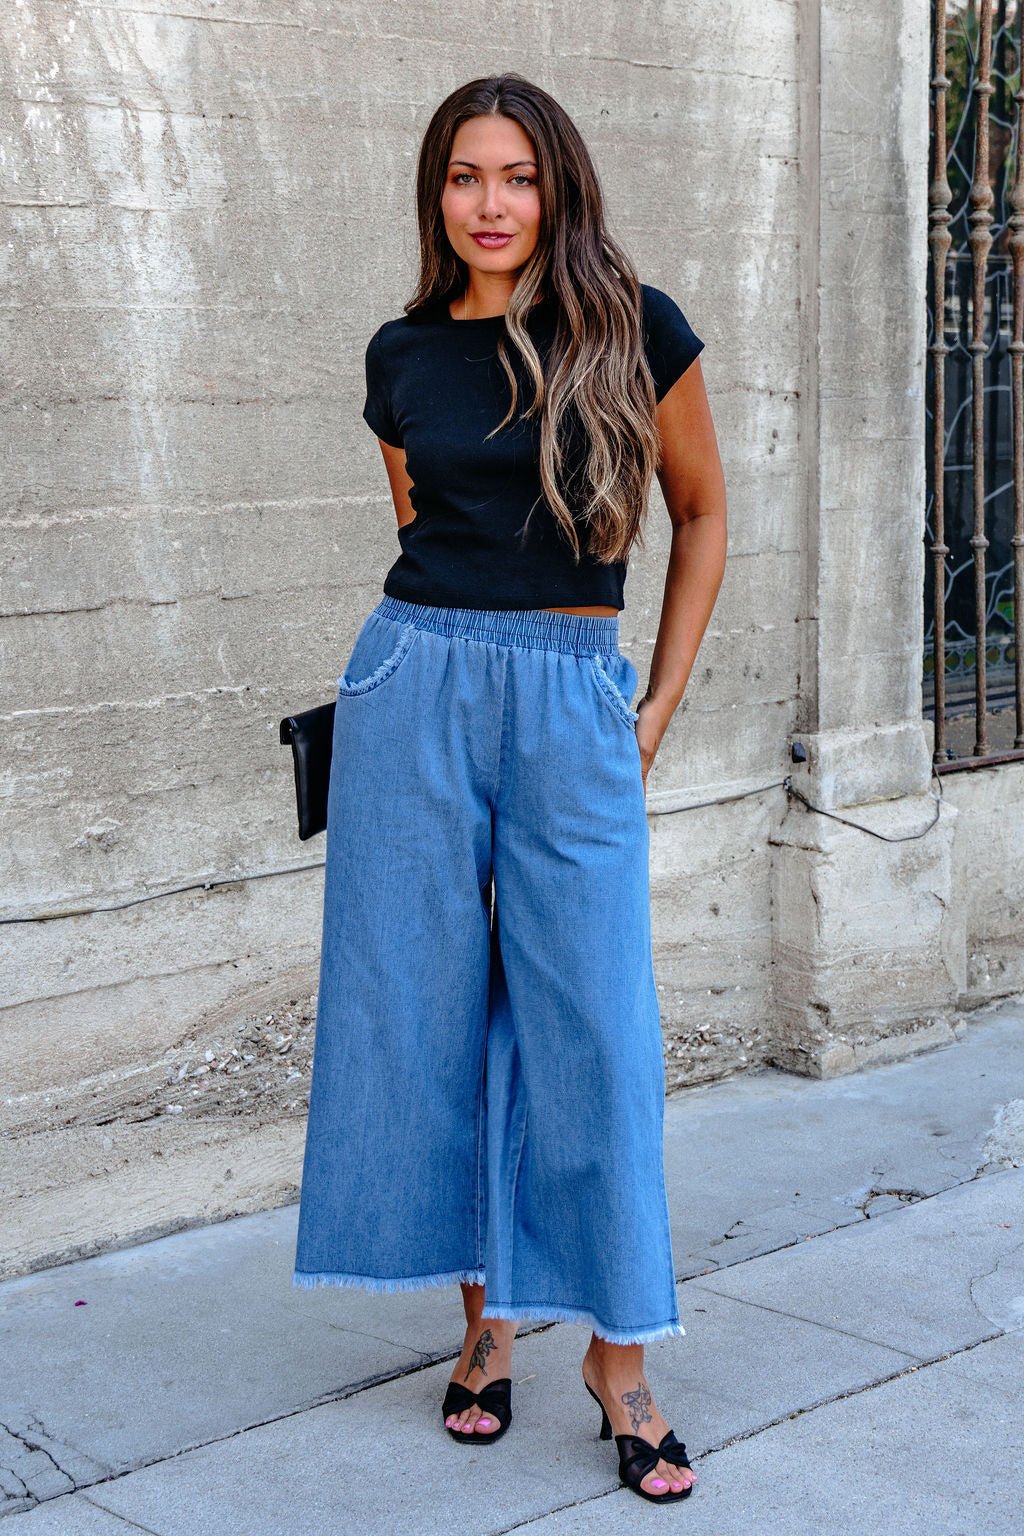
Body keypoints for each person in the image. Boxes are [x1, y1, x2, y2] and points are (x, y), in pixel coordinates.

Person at [292, 72, 726, 1506]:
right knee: (423, 1009)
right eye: (466, 177)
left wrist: (652, 704)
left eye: (517, 177)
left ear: (559, 188)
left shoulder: (632, 329)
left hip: (570, 686)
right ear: (438, 194)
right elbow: (423, 526)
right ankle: (483, 1325)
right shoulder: (400, 355)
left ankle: (623, 1354)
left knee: (594, 1022)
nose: (491, 204)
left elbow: (703, 511)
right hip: (415, 685)